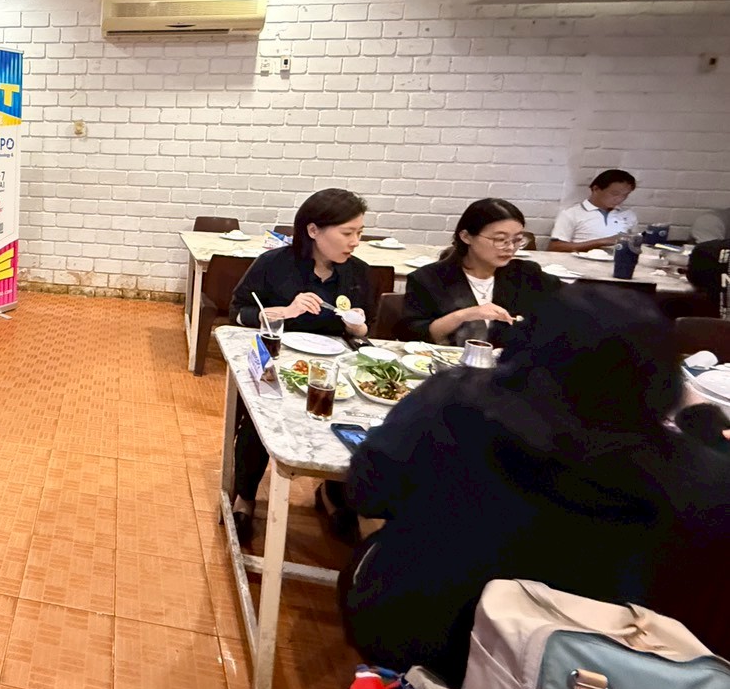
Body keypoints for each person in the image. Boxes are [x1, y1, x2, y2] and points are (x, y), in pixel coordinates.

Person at [340, 288, 730, 685]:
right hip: (594, 676)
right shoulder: (698, 475)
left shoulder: (453, 401)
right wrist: (705, 431)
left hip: (413, 633)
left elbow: (366, 491)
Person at [228, 188, 374, 543]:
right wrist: (285, 312)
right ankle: (244, 496)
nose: (355, 242)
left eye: (359, 233)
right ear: (313, 230)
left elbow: (365, 331)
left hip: (335, 370)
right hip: (278, 364)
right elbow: (238, 312)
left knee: (353, 426)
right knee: (260, 420)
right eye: (347, 233)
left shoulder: (359, 273)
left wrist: (358, 327)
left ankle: (333, 493)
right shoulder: (273, 264)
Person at [400, 198, 560, 346]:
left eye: (517, 240)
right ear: (466, 237)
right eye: (500, 239)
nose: (510, 247)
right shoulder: (429, 279)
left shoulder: (526, 274)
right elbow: (412, 336)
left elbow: (566, 302)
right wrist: (465, 315)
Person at [547, 169, 638, 252]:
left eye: (625, 195)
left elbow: (635, 245)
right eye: (615, 194)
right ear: (596, 189)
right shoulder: (572, 213)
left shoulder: (628, 215)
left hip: (618, 261)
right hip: (580, 261)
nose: (619, 199)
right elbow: (555, 247)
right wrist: (602, 242)